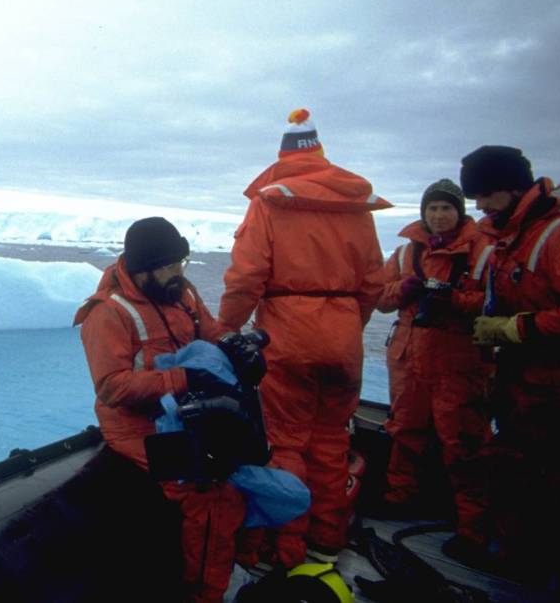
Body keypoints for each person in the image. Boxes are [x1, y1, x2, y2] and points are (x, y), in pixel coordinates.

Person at [218, 109, 388, 568]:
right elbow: (375, 282)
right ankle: (326, 541)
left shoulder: (270, 203)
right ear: (321, 154)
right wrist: (349, 322)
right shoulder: (357, 207)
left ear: (282, 156)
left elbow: (246, 278)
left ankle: (287, 550)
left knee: (286, 443)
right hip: (344, 335)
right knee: (332, 440)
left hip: (288, 334)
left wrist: (225, 329)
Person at [73, 216, 244, 603]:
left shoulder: (181, 294)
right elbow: (112, 388)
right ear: (143, 269)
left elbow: (211, 332)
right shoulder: (108, 313)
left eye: (179, 264)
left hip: (188, 412)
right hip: (138, 427)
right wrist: (186, 379)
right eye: (167, 266)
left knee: (245, 468)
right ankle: (200, 595)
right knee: (206, 497)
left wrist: (235, 345)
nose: (176, 274)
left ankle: (239, 563)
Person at [457, 145, 560, 594]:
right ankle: (519, 562)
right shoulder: (510, 234)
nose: (480, 206)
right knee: (517, 470)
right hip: (521, 381)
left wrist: (518, 328)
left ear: (512, 188)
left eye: (486, 196)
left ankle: (557, 575)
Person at [372, 178, 490, 548]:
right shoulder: (407, 254)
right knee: (404, 430)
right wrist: (402, 290)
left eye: (446, 208)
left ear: (460, 212)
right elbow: (381, 299)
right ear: (424, 212)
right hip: (409, 356)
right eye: (433, 208)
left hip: (458, 358)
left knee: (463, 440)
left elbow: (495, 301)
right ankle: (399, 497)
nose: (439, 216)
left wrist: (454, 300)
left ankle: (474, 526)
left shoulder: (484, 252)